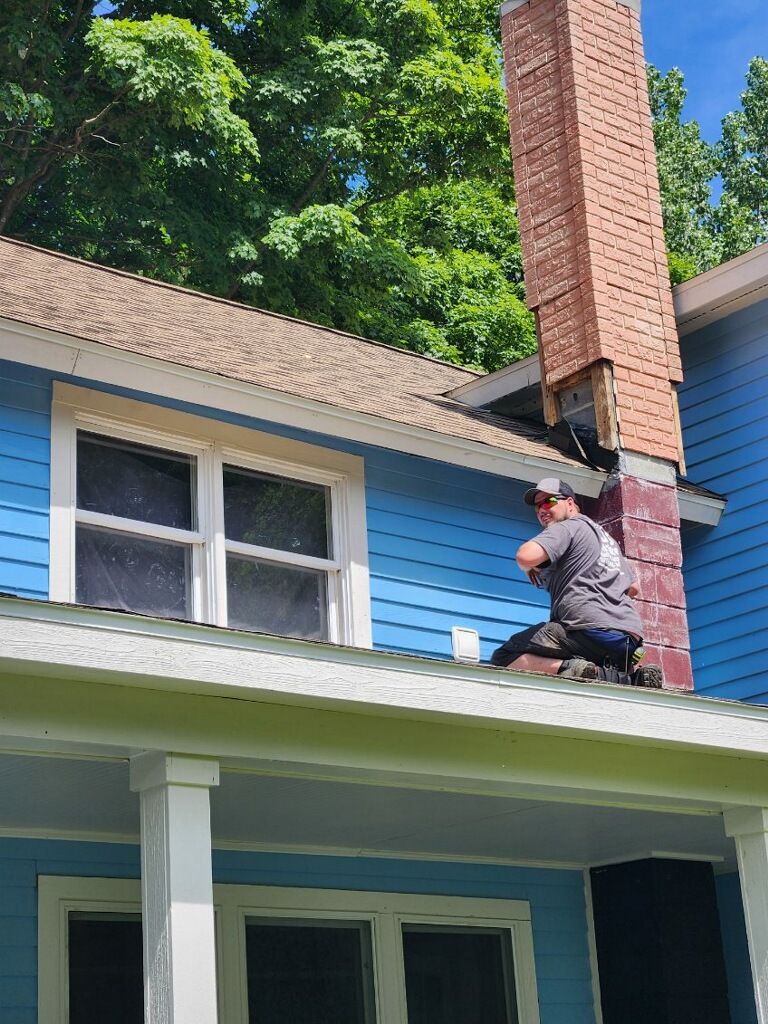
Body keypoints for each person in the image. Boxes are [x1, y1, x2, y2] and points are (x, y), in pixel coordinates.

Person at [490, 477, 663, 688]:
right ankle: (634, 678)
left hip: (586, 629)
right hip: (628, 638)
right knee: (595, 664)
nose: (541, 509)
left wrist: (530, 566)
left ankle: (570, 669)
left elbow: (525, 556)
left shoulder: (567, 526)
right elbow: (634, 588)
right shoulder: (604, 539)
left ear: (570, 503)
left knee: (505, 656)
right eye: (537, 506)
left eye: (549, 501)